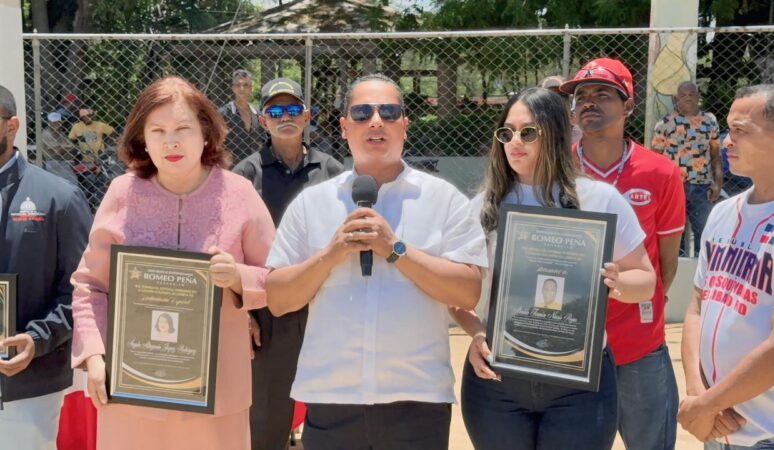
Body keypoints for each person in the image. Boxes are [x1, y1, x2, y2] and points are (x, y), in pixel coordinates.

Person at [265, 74, 488, 450]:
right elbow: (278, 299)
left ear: (404, 124)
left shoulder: (443, 199)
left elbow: (468, 291)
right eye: (363, 112)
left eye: (389, 111)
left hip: (417, 401)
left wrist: (396, 249)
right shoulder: (311, 204)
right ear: (344, 126)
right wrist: (330, 255)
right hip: (331, 400)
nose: (376, 121)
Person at [71, 76, 276, 450]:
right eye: (158, 130)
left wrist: (237, 277)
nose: (171, 142)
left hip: (217, 396)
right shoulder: (122, 193)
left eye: (183, 128)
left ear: (206, 134)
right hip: (131, 390)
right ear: (142, 140)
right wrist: (94, 356)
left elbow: (279, 279)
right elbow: (90, 285)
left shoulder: (239, 193)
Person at [451, 86, 655, 450]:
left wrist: (617, 281)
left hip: (579, 381)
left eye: (528, 132)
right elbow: (455, 295)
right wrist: (476, 334)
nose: (515, 142)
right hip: (498, 378)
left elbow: (646, 280)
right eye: (506, 133)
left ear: (556, 132)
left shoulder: (600, 198)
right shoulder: (483, 206)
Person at [560, 57, 686, 450]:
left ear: (629, 105)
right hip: (568, 344)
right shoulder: (556, 170)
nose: (589, 102)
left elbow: (665, 263)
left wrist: (638, 297)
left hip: (638, 346)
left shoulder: (660, 173)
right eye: (582, 96)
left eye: (603, 94)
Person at [679, 84, 774, 450]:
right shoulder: (723, 212)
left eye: (739, 131)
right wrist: (699, 396)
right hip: (717, 428)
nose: (725, 142)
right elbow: (697, 306)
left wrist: (707, 405)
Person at [233, 77, 343, 450]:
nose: (285, 117)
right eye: (275, 111)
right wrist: (242, 311)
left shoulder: (333, 170)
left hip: (325, 305)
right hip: (268, 310)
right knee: (267, 415)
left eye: (293, 110)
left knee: (333, 411)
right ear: (263, 120)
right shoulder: (246, 176)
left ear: (307, 116)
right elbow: (228, 248)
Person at [0, 84, 93, 449]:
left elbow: (84, 291)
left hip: (26, 387)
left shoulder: (59, 198)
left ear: (13, 126)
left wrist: (37, 340)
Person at [651, 81, 724, 257]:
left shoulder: (709, 120)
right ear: (676, 99)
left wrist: (718, 183)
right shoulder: (665, 123)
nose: (688, 98)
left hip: (702, 185)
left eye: (692, 94)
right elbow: (655, 159)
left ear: (698, 97)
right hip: (673, 187)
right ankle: (676, 270)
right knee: (675, 233)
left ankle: (703, 272)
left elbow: (716, 154)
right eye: (683, 95)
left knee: (704, 231)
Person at [218, 69, 267, 163]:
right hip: (231, 169)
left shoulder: (258, 114)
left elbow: (263, 142)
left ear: (251, 88)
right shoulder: (223, 114)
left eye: (246, 85)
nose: (241, 89)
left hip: (254, 167)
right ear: (233, 88)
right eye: (238, 85)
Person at [41, 111, 79, 184]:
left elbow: (72, 147)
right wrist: (65, 147)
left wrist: (64, 147)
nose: (56, 124)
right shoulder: (47, 134)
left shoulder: (61, 133)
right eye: (53, 122)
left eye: (58, 122)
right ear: (49, 122)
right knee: (73, 182)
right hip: (55, 162)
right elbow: (57, 152)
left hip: (65, 161)